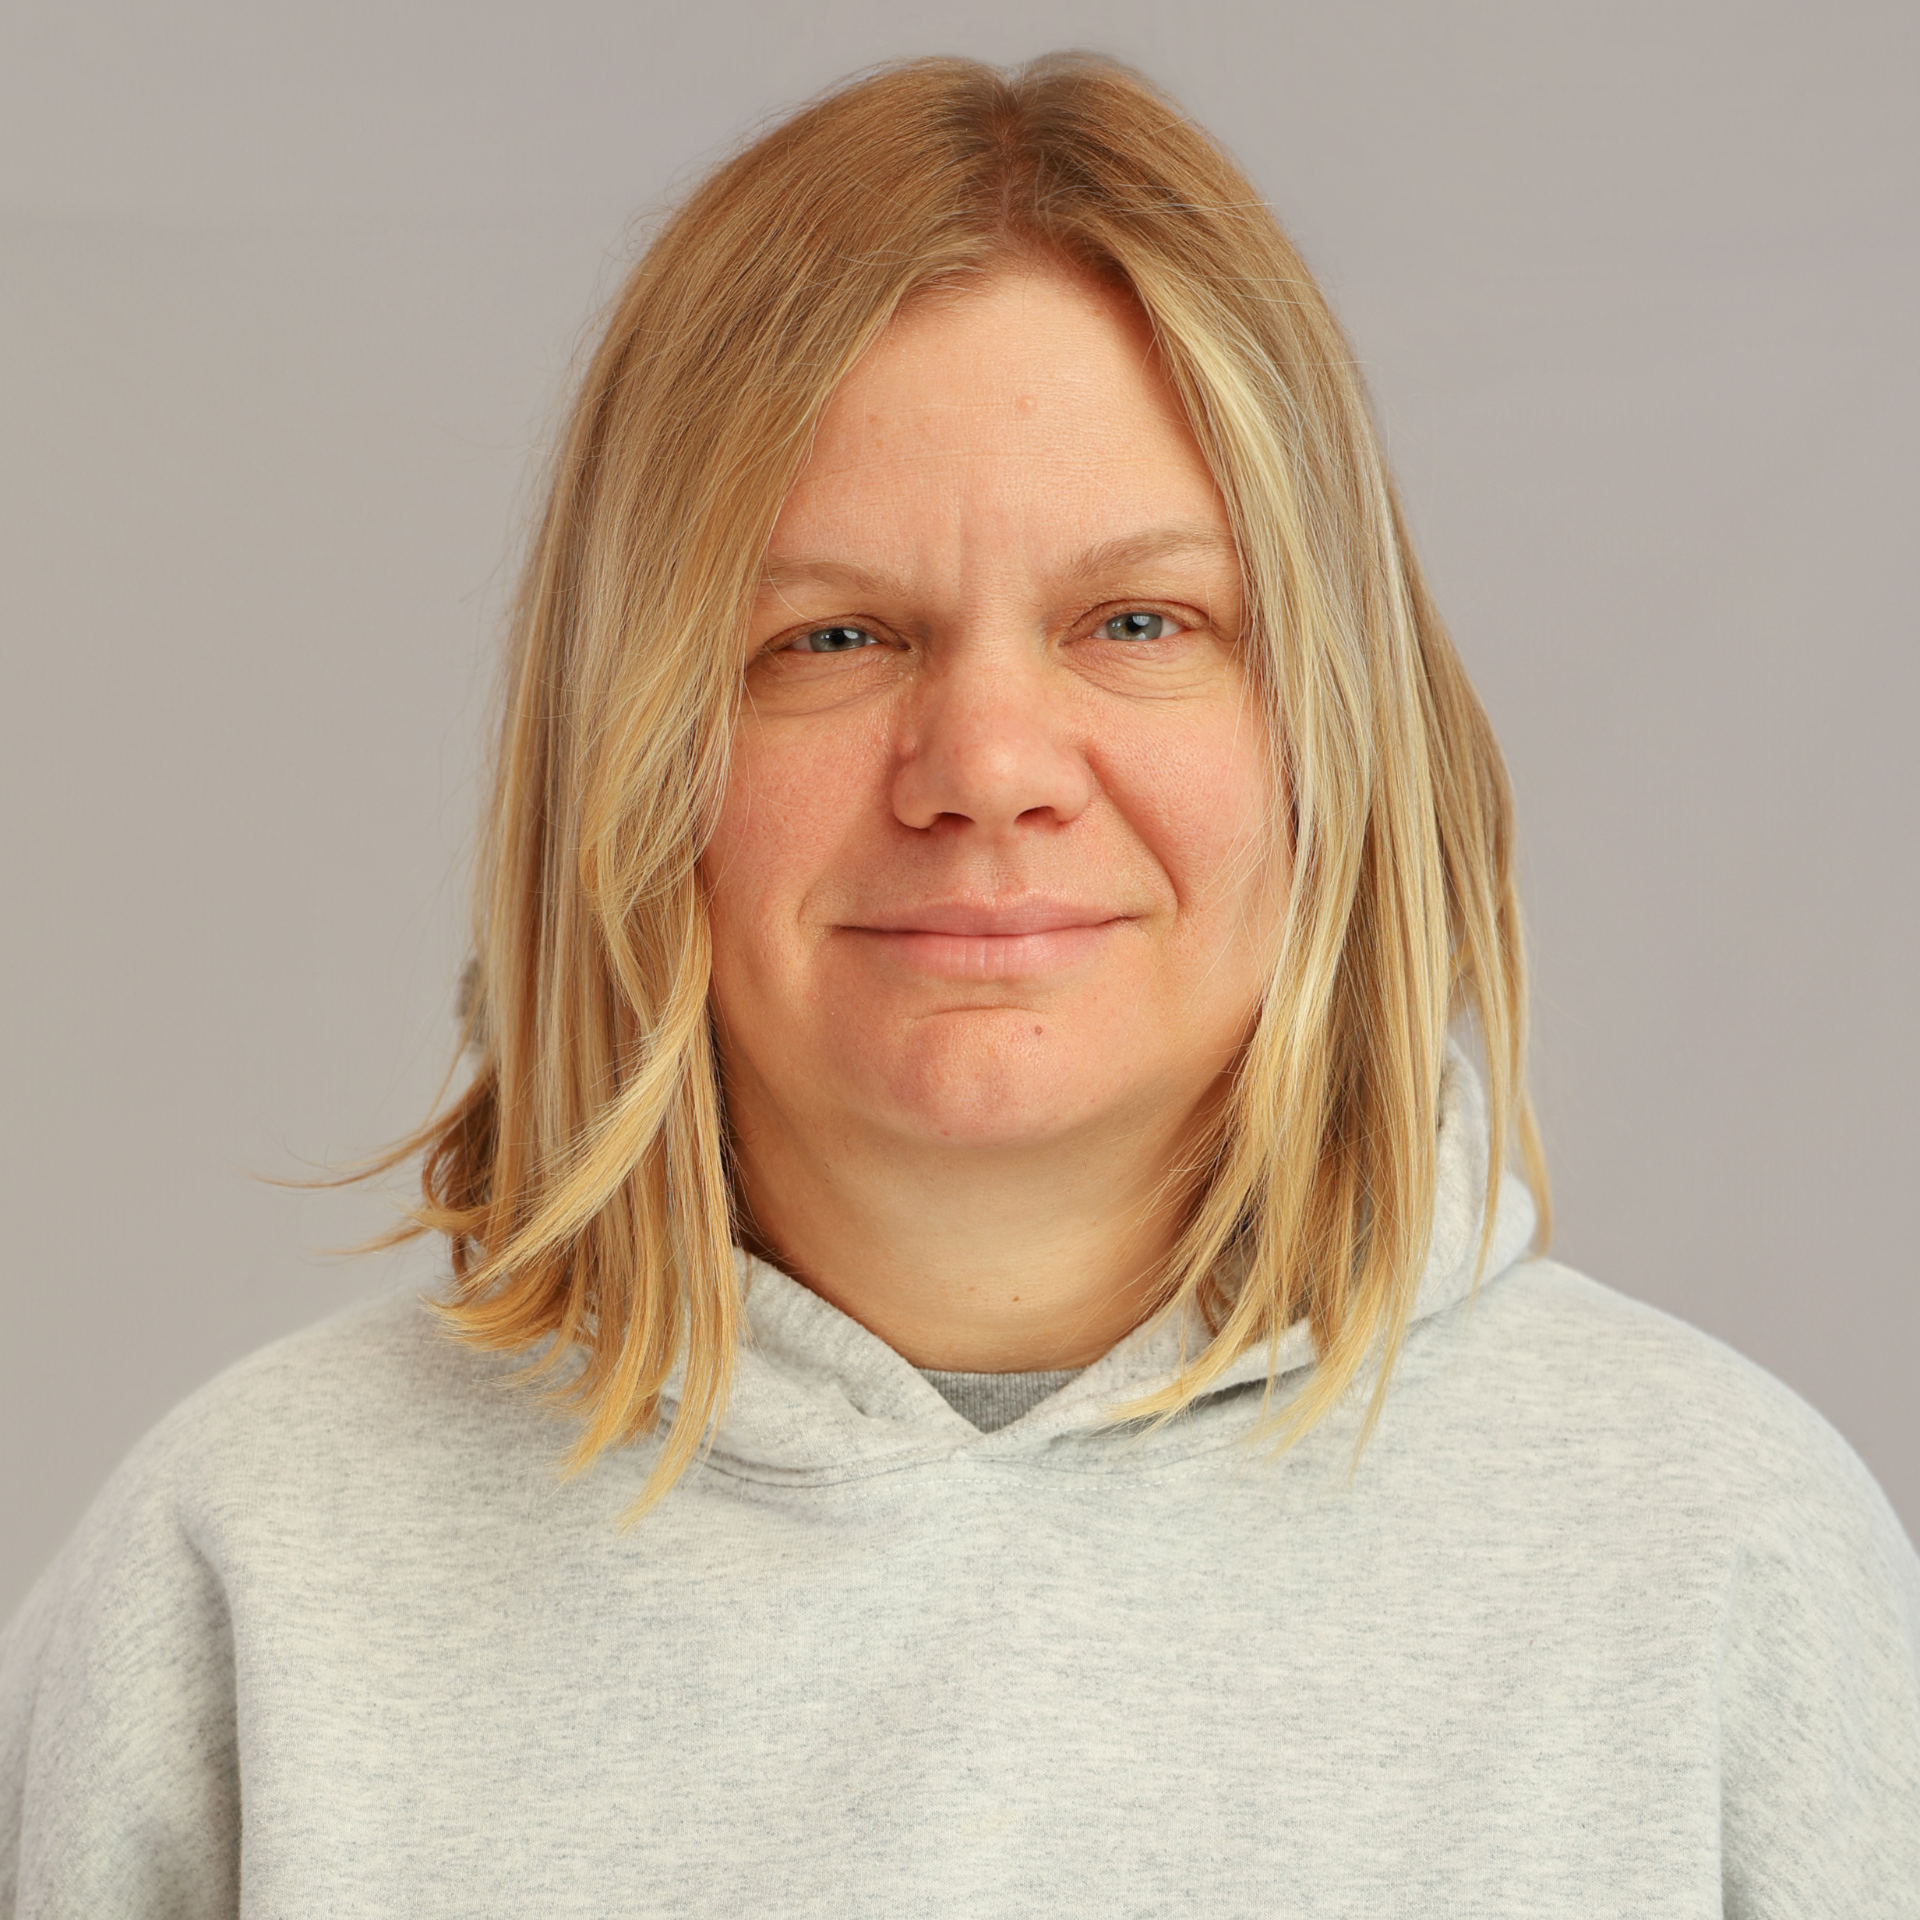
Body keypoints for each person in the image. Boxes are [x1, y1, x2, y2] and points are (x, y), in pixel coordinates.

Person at [3, 52, 1916, 1916]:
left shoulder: (1721, 1560)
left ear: (1331, 726)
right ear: (633, 740)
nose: (986, 761)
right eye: (830, 635)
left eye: (1142, 622)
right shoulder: (248, 1579)